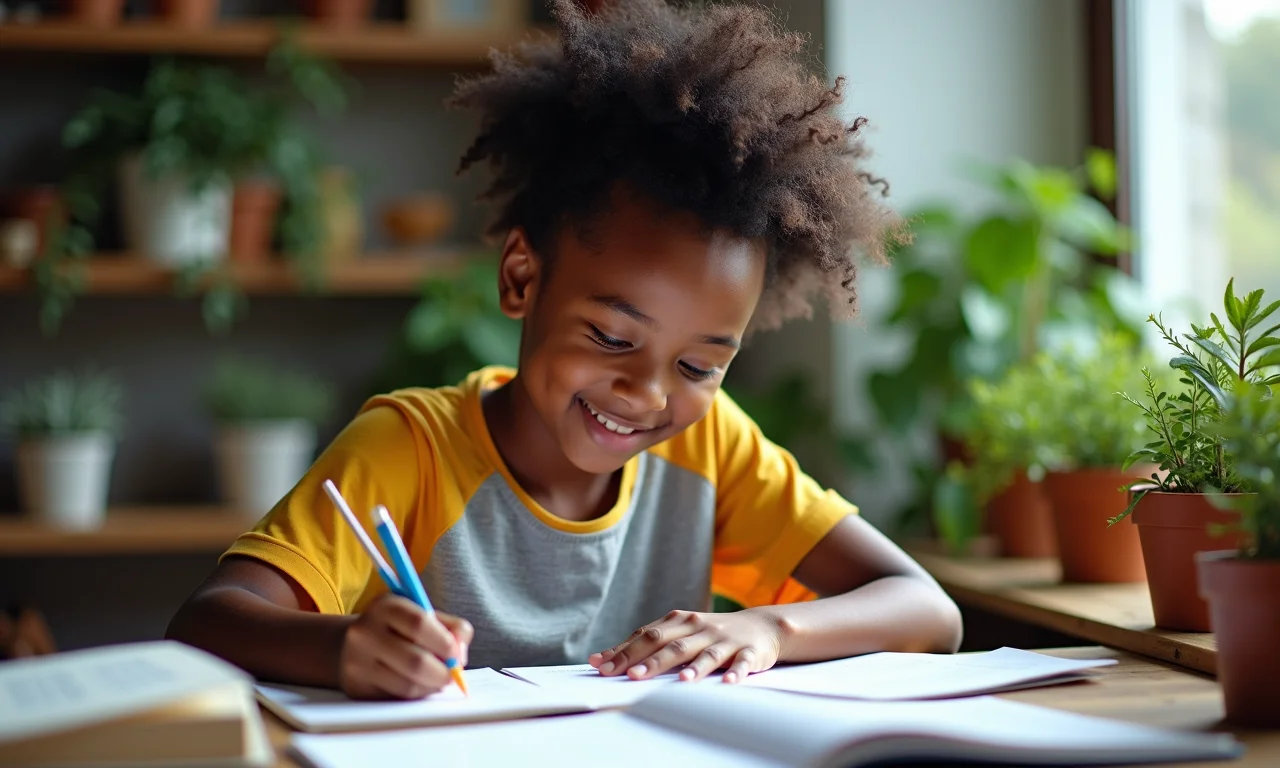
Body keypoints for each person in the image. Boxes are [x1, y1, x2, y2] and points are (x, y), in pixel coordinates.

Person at [166, 0, 963, 701]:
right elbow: (207, 623)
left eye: (698, 366)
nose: (647, 393)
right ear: (522, 277)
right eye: (612, 337)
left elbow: (928, 610)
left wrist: (768, 630)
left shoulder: (712, 450)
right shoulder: (410, 450)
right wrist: (344, 647)